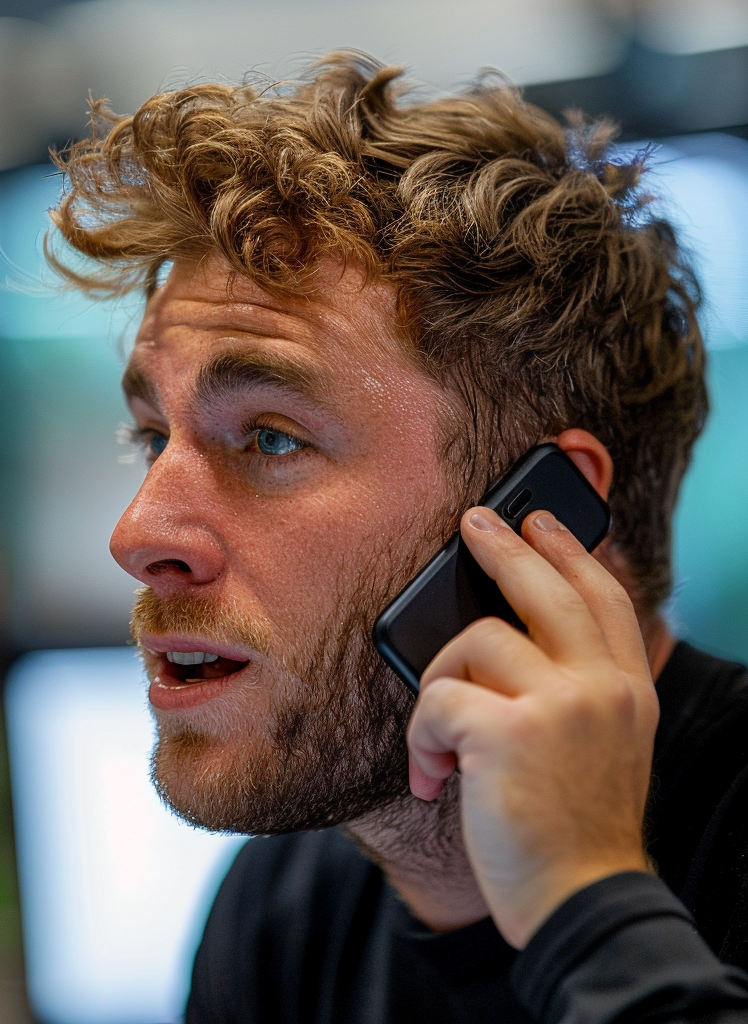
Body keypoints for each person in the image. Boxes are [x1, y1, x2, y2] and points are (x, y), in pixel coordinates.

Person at [45, 51, 748, 1023]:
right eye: (150, 438)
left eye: (271, 437)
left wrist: (584, 902)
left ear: (545, 523)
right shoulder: (280, 913)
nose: (139, 534)